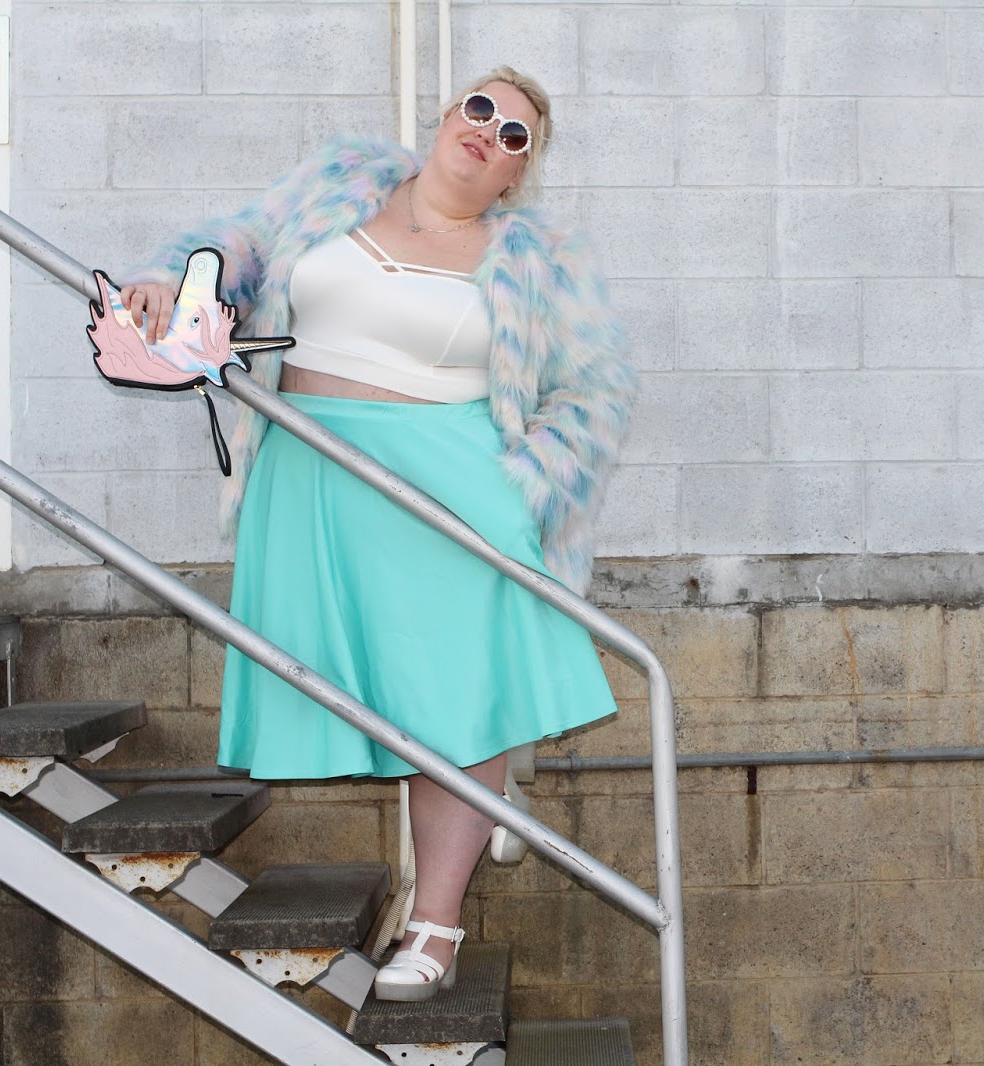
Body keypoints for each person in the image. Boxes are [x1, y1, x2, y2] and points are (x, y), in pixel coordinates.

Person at [118, 67, 634, 1001]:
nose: (490, 132)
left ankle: (435, 926)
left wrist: (525, 487)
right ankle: (495, 782)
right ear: (446, 117)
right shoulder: (339, 184)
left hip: (452, 485)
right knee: (381, 688)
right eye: (481, 109)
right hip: (313, 471)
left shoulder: (535, 257)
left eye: (515, 135)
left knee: (451, 692)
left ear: (518, 173)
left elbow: (595, 389)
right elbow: (239, 241)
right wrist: (173, 273)